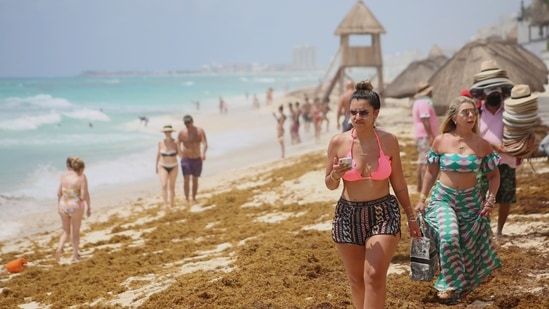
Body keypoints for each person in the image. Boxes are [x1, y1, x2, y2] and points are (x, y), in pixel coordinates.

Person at [324, 80, 420, 309]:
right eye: (353, 112)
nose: (357, 117)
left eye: (364, 112)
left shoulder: (389, 141)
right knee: (357, 281)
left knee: (374, 275)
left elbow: (398, 183)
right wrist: (336, 174)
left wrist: (411, 216)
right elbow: (329, 184)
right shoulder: (338, 142)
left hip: (383, 213)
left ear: (376, 113)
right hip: (347, 216)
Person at [415, 96, 502, 303]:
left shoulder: (482, 145)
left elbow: (494, 175)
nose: (471, 115)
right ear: (454, 117)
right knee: (449, 236)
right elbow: (430, 171)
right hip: (443, 199)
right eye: (465, 112)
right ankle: (448, 283)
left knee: (467, 246)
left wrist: (490, 200)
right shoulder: (441, 140)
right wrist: (422, 198)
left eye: (473, 112)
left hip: (471, 202)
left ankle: (459, 287)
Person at [470, 59, 515, 238]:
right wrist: (494, 146)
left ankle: (500, 230)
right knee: (480, 196)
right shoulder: (476, 113)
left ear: (502, 89)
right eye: (489, 90)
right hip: (483, 162)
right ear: (483, 92)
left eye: (496, 89)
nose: (493, 93)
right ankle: (485, 229)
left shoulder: (511, 110)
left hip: (507, 161)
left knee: (506, 198)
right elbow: (471, 136)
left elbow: (523, 131)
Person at [55, 156, 91, 263]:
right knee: (75, 231)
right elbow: (84, 196)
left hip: (63, 205)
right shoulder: (82, 177)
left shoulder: (63, 176)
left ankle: (59, 249)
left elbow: (58, 193)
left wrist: (59, 206)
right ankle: (75, 256)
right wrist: (88, 207)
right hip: (75, 205)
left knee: (66, 231)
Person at [412, 81, 440, 193]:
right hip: (425, 135)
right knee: (425, 162)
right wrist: (431, 136)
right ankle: (424, 187)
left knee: (421, 160)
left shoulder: (418, 102)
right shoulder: (424, 103)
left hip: (421, 134)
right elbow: (425, 120)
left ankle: (420, 186)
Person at [177, 115, 208, 206]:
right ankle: (186, 199)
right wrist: (180, 153)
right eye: (185, 123)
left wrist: (203, 152)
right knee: (186, 179)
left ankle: (193, 198)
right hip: (186, 159)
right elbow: (177, 143)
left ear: (192, 121)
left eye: (189, 122)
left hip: (197, 158)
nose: (187, 124)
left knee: (195, 179)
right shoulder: (182, 133)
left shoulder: (200, 131)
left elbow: (205, 143)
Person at [156, 124, 180, 210]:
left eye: (169, 131)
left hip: (174, 166)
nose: (167, 133)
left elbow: (180, 154)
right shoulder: (160, 142)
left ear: (171, 132)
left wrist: (179, 146)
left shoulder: (176, 142)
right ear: (163, 133)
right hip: (163, 166)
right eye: (165, 131)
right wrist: (156, 166)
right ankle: (165, 204)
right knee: (164, 185)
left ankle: (172, 204)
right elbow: (158, 154)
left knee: (172, 186)